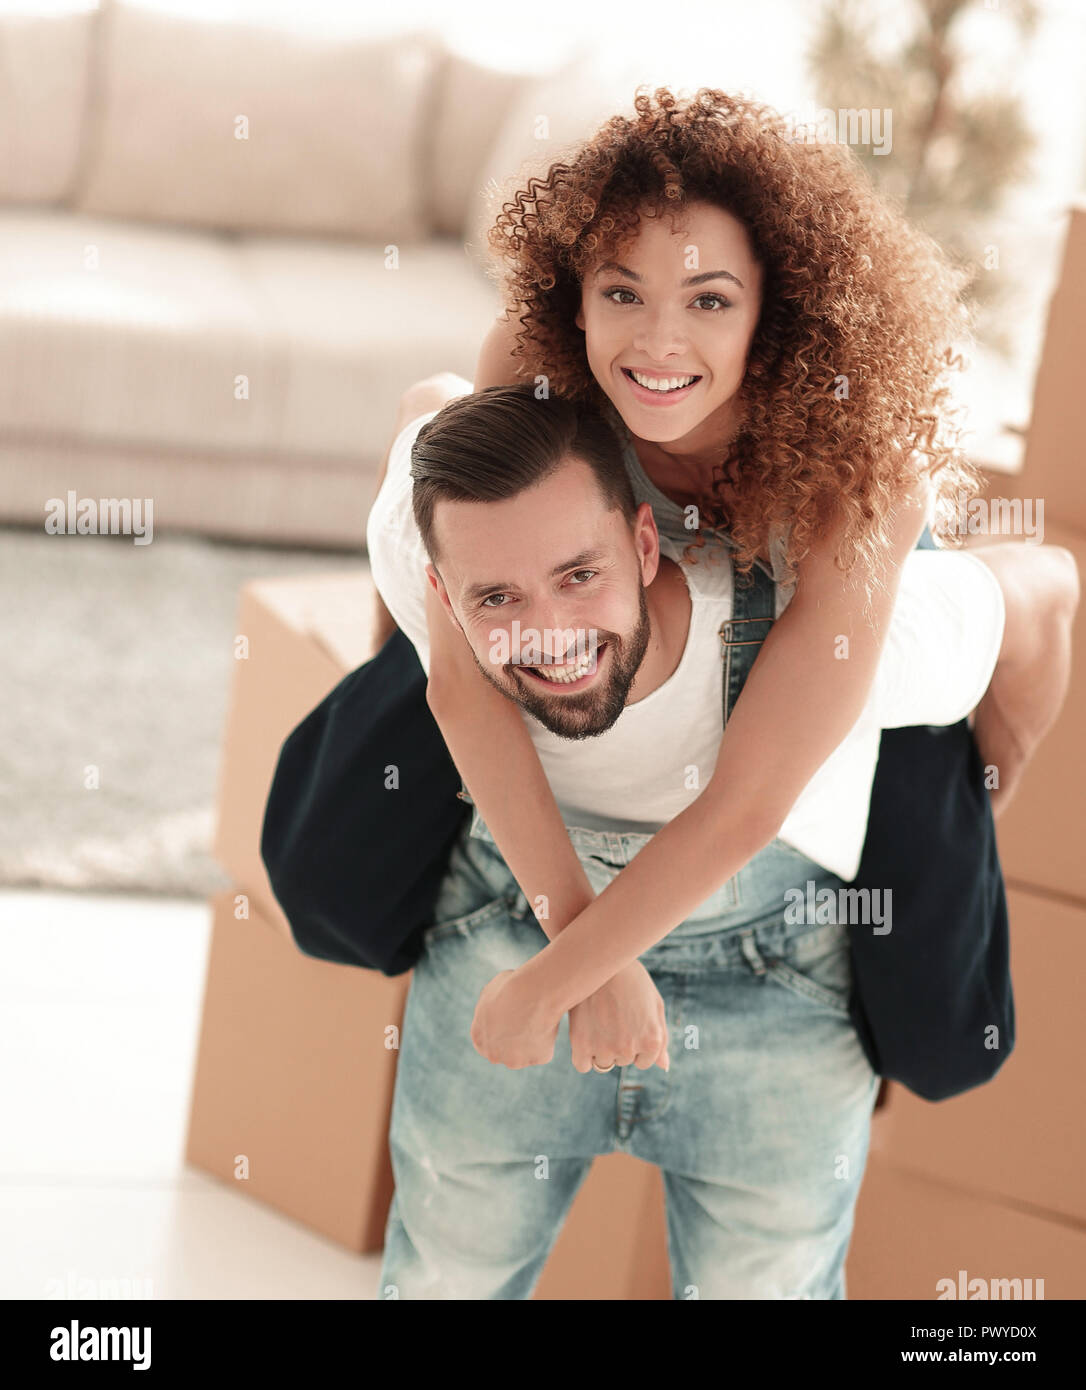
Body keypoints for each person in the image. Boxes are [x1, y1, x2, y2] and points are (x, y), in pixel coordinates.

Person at [370, 87, 1079, 1084]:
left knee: (942, 1028)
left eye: (708, 299)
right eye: (623, 294)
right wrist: (588, 949)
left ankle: (1023, 608)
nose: (657, 343)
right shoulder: (532, 365)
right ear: (577, 297)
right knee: (345, 848)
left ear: (771, 311)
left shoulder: (854, 467)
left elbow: (749, 798)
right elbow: (460, 669)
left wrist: (548, 982)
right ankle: (429, 411)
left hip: (830, 581)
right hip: (629, 574)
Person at [368, 381, 1061, 1300]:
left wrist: (972, 815)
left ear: (645, 542)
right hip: (504, 931)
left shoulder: (860, 641)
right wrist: (582, 964)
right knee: (443, 1281)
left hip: (776, 986)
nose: (549, 630)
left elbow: (1049, 593)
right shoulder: (430, 540)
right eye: (495, 597)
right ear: (442, 597)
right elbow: (428, 402)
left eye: (582, 575)